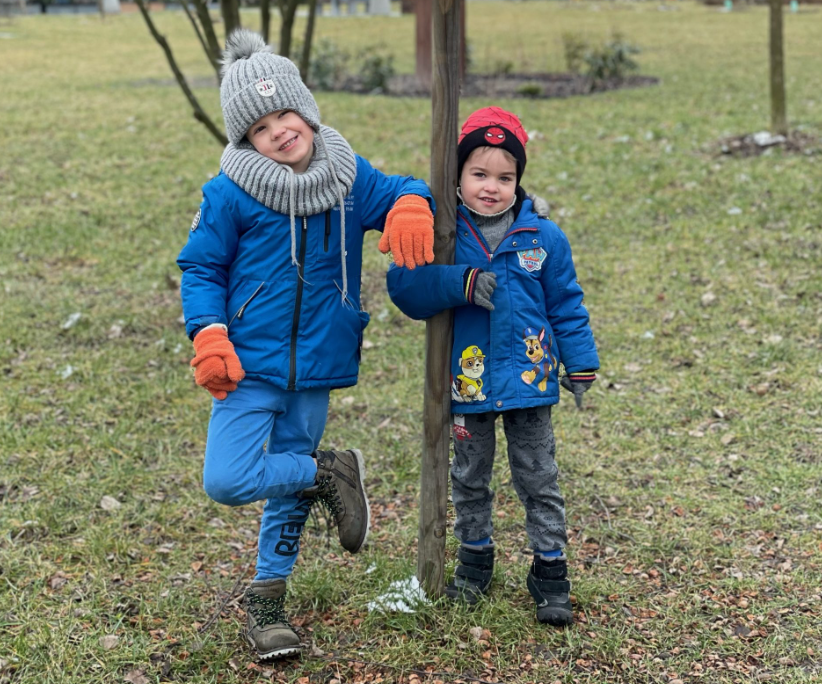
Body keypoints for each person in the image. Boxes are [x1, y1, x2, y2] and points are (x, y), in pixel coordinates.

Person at [177, 29, 435, 660]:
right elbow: (202, 268)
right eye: (261, 127)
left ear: (307, 108)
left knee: (286, 489)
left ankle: (268, 604)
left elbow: (403, 186)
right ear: (246, 140)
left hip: (317, 361)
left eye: (286, 113)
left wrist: (410, 205)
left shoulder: (348, 178)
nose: (279, 130)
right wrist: (208, 333)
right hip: (246, 363)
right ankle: (326, 472)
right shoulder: (229, 194)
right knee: (229, 477)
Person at [386, 107, 599, 627]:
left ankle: (550, 573)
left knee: (538, 476)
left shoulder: (543, 237)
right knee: (470, 478)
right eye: (479, 174)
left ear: (519, 181)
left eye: (505, 177)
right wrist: (456, 281)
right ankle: (474, 561)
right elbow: (405, 288)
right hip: (468, 384)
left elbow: (566, 303)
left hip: (529, 383)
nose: (491, 187)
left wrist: (581, 362)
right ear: (456, 176)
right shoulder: (443, 232)